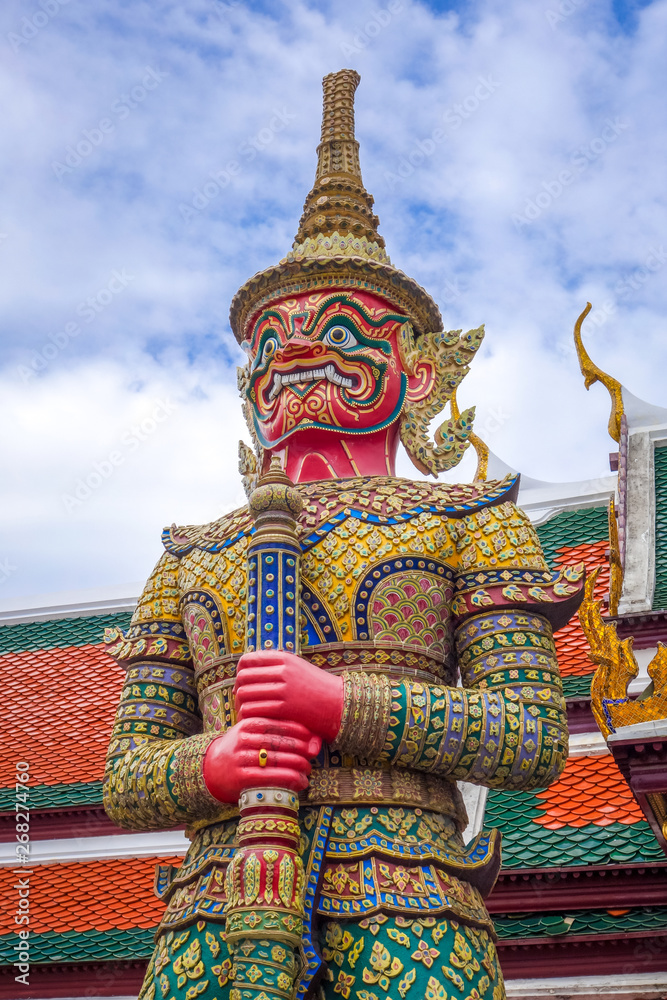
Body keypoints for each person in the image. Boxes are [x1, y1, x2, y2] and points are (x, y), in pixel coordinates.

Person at [104, 70, 583, 1000]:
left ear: (417, 368)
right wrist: (216, 758)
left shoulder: (471, 521)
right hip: (215, 904)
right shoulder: (190, 553)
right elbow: (126, 774)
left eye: (336, 328)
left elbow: (528, 739)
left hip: (408, 898)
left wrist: (341, 705)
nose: (292, 355)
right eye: (268, 341)